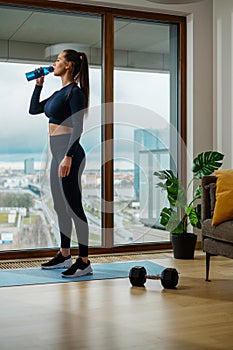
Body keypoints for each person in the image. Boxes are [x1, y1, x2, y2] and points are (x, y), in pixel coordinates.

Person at [29, 49, 92, 278]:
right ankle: (65, 254)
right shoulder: (59, 92)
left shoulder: (75, 93)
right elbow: (34, 109)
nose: (53, 63)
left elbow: (78, 127)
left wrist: (68, 156)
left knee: (74, 207)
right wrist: (38, 85)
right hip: (58, 154)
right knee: (59, 206)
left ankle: (84, 261)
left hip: (69, 154)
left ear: (69, 66)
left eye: (57, 60)